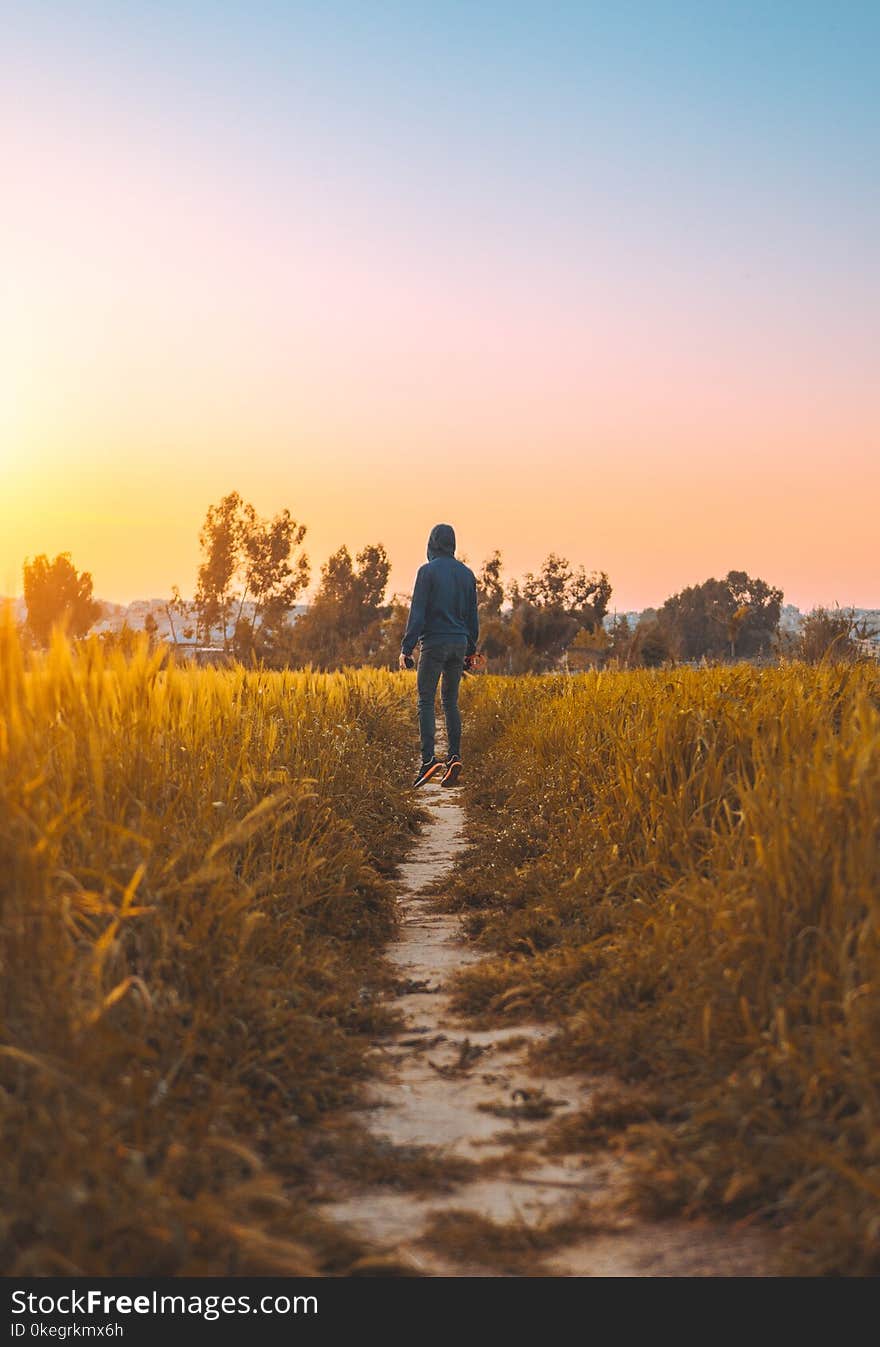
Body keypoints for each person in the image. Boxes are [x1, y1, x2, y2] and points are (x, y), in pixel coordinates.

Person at [399, 523, 479, 787]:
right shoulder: (467, 575)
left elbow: (418, 613)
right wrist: (471, 649)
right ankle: (454, 756)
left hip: (434, 644)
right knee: (450, 701)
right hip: (459, 643)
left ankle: (428, 761)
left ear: (432, 543)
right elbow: (472, 617)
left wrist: (407, 647)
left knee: (425, 700)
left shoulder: (427, 572)